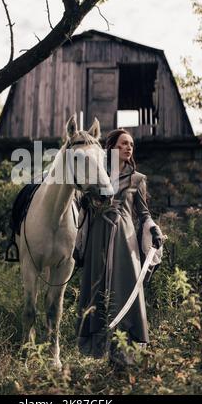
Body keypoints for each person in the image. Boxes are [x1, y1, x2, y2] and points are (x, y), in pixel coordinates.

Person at [74, 128, 163, 366]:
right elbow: (84, 207)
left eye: (131, 144)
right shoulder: (95, 176)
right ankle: (99, 350)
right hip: (97, 239)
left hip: (125, 240)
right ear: (111, 147)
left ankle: (124, 354)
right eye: (124, 143)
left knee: (124, 289)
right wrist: (85, 203)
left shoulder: (137, 180)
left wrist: (153, 229)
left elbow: (143, 214)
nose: (129, 147)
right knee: (97, 289)